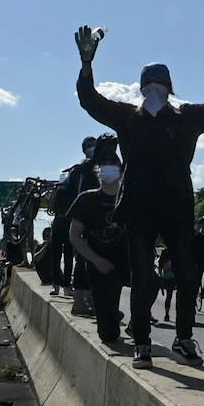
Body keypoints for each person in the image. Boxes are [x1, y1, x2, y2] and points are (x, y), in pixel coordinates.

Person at [74, 24, 204, 369]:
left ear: (169, 89)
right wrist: (87, 63)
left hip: (178, 209)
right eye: (149, 85)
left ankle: (184, 339)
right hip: (138, 210)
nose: (155, 89)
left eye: (160, 85)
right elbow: (90, 100)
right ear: (141, 89)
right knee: (143, 277)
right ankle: (142, 343)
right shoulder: (127, 118)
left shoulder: (186, 118)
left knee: (187, 274)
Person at [66, 137, 128, 348]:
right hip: (99, 266)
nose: (109, 170)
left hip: (126, 262)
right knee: (108, 334)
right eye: (105, 166)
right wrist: (96, 260)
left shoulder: (130, 199)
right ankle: (109, 316)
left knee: (153, 283)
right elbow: (74, 235)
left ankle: (138, 322)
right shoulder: (86, 199)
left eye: (114, 166)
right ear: (98, 171)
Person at [48, 137, 99, 297]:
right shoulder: (76, 170)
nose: (92, 149)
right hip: (64, 216)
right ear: (84, 149)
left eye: (94, 146)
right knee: (58, 251)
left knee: (70, 252)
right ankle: (58, 284)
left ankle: (66, 285)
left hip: (77, 217)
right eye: (90, 146)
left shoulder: (97, 169)